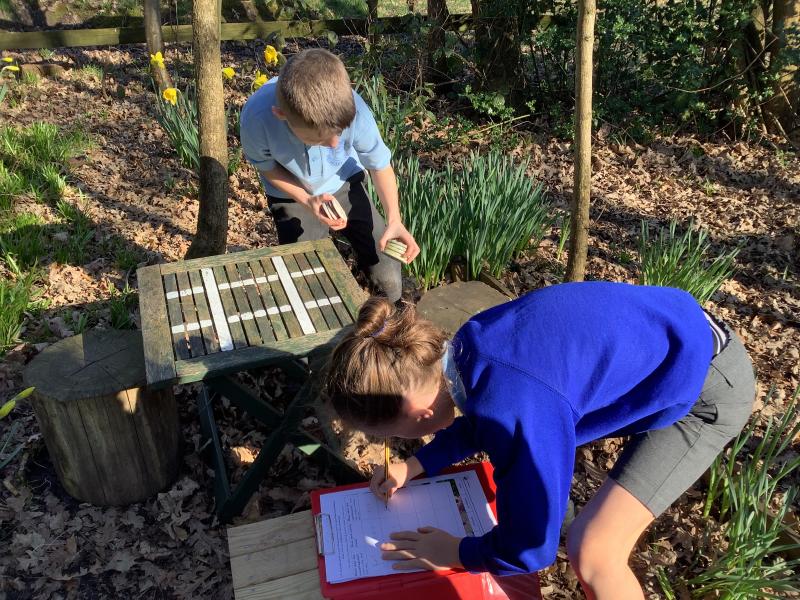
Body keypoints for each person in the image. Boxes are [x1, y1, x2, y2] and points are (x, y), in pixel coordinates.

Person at [323, 281, 755, 599]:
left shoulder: (515, 405)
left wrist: (456, 551)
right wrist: (417, 465)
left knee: (594, 551)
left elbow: (531, 547)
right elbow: (486, 412)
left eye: (392, 437)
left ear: (416, 412)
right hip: (673, 337)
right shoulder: (468, 347)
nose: (396, 443)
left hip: (705, 385)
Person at [240, 48, 419, 303]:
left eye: (339, 133)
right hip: (292, 193)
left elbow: (379, 164)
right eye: (321, 140)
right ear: (282, 116)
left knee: (387, 268)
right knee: (306, 278)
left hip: (344, 180)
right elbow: (267, 167)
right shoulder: (256, 120)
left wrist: (395, 219)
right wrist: (307, 200)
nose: (336, 145)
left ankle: (389, 315)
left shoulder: (353, 108)